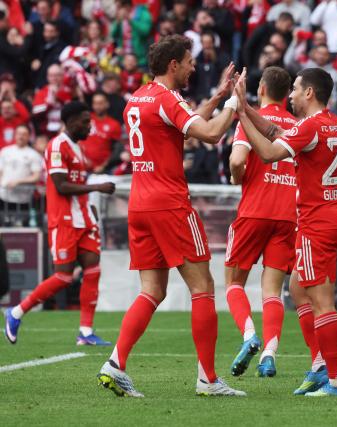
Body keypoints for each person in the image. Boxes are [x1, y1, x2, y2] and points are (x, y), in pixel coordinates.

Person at [97, 35, 245, 398]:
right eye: (189, 61)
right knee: (203, 288)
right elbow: (208, 133)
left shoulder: (138, 98)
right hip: (170, 204)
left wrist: (216, 96)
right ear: (173, 65)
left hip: (140, 204)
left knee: (152, 290)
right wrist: (234, 103)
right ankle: (208, 380)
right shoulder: (168, 98)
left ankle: (115, 363)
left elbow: (186, 124)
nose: (194, 66)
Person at [234, 67, 337, 397]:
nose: (293, 95)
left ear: (310, 93)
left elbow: (270, 152)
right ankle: (318, 365)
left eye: (298, 90)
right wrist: (248, 110)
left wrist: (242, 116)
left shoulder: (310, 127)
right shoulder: (336, 123)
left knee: (322, 302)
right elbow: (275, 132)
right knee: (298, 289)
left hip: (318, 223)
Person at [4, 103, 115, 346]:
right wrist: (97, 187)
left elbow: (75, 183)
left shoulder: (78, 147)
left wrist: (90, 207)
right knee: (64, 277)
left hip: (84, 218)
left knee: (93, 270)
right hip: (63, 221)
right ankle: (16, 313)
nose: (90, 126)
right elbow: (61, 185)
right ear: (71, 121)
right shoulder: (57, 146)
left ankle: (85, 332)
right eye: (85, 122)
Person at [225, 66, 297, 378]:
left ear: (262, 90)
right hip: (287, 215)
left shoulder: (252, 118)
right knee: (273, 291)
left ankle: (249, 335)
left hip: (254, 210)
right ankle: (269, 352)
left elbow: (238, 160)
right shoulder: (297, 125)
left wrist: (235, 177)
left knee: (233, 283)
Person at [0, 125, 42, 225]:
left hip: (23, 200)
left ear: (28, 137)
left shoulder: (34, 155)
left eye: (24, 134)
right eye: (19, 134)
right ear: (15, 135)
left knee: (21, 229)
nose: (21, 136)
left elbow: (36, 176)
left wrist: (18, 182)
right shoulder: (5, 151)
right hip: (3, 197)